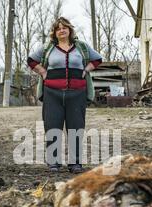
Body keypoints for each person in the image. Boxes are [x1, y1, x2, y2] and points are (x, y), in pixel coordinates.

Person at [27, 17, 102, 173]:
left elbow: (97, 59)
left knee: (76, 128)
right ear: (55, 32)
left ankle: (75, 164)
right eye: (58, 28)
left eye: (64, 28)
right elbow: (31, 60)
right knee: (52, 127)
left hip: (77, 94)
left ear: (69, 30)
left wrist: (86, 70)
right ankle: (53, 162)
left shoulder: (82, 47)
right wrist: (43, 72)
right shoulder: (48, 48)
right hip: (52, 94)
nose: (61, 30)